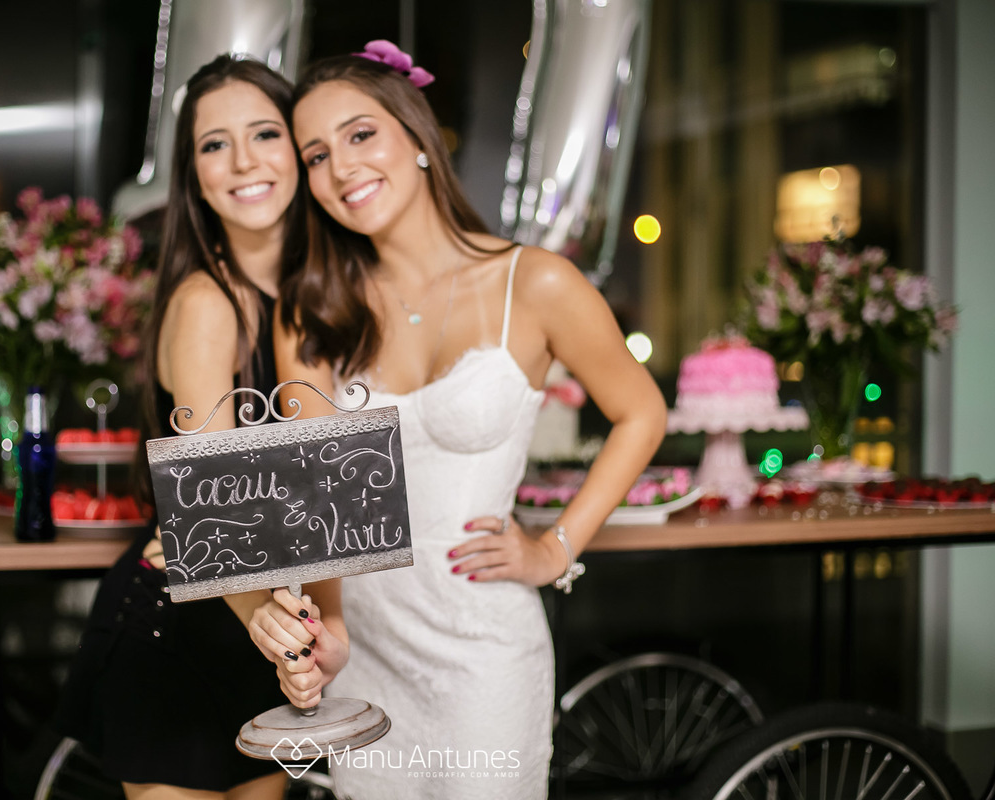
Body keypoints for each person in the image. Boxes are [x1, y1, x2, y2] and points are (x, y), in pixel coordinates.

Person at [246, 45, 669, 799]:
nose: (341, 168)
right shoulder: (311, 310)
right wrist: (328, 633)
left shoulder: (535, 282)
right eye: (316, 156)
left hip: (483, 651)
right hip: (368, 652)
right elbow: (320, 500)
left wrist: (555, 549)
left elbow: (641, 412)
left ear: (416, 136)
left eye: (360, 134)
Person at [56, 54, 347, 800]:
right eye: (215, 144)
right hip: (181, 624)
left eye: (265, 134)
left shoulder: (312, 299)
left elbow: (322, 491)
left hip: (264, 621)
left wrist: (310, 622)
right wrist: (277, 629)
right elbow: (210, 513)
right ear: (193, 174)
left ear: (299, 149)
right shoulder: (207, 304)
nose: (244, 161)